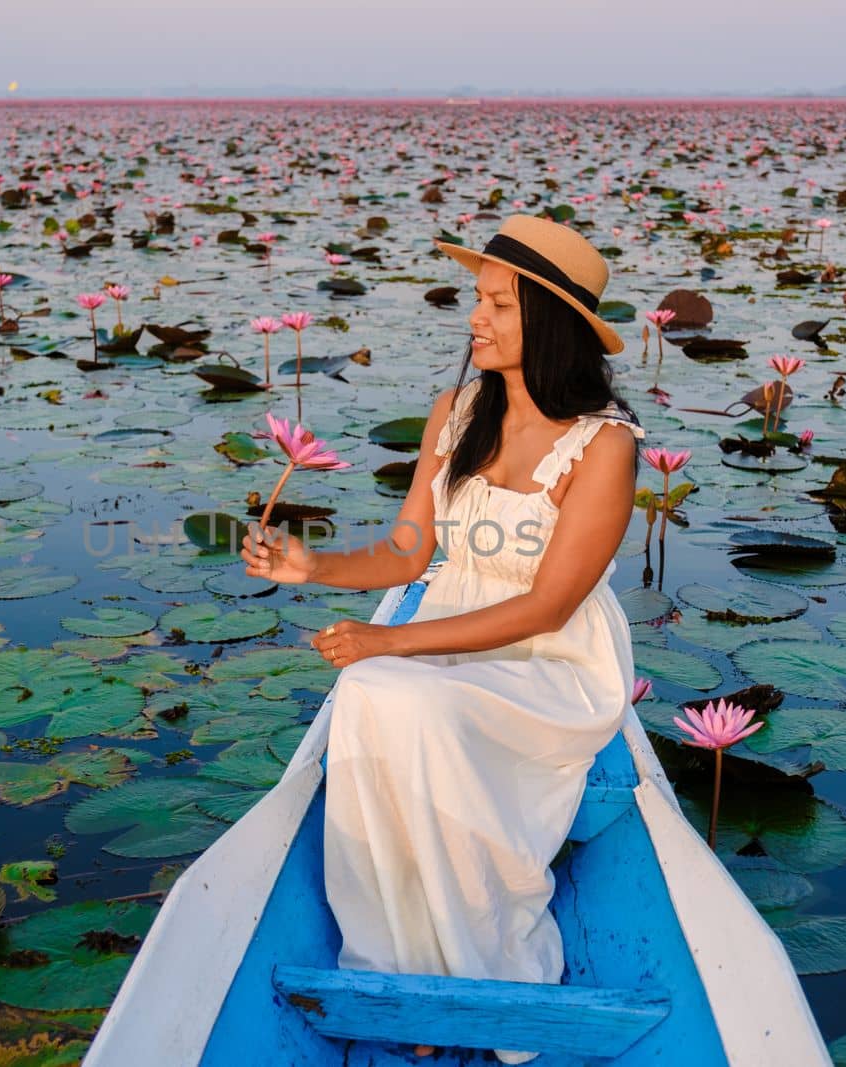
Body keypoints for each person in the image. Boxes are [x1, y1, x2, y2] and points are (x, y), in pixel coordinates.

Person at [239, 215, 645, 1065]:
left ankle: (482, 960)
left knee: (396, 691)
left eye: (497, 302)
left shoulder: (603, 447)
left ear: (550, 321)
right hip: (449, 631)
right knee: (371, 696)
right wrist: (309, 566)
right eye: (477, 299)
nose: (476, 318)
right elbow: (406, 554)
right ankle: (397, 966)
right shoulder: (456, 415)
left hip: (549, 661)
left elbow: (546, 607)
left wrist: (391, 645)